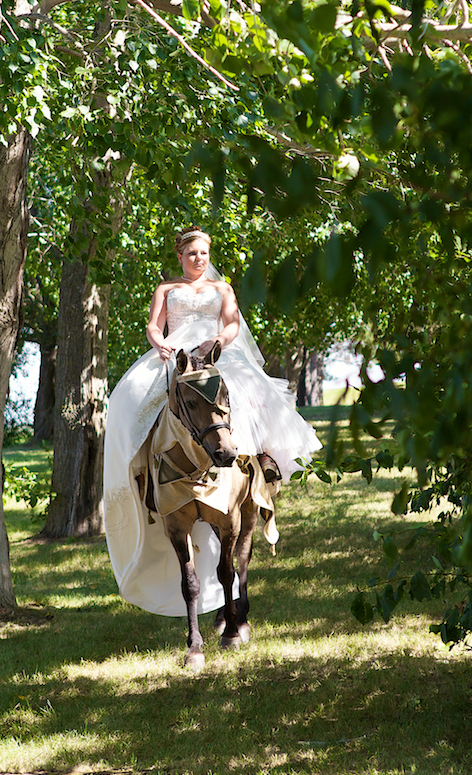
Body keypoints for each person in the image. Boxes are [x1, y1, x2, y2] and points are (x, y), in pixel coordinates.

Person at [103, 225, 321, 617]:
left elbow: (233, 323)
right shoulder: (165, 290)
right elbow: (154, 325)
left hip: (216, 353)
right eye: (191, 255)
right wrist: (160, 342)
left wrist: (219, 342)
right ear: (180, 257)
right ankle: (141, 472)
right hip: (176, 355)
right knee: (130, 403)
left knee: (245, 395)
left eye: (204, 253)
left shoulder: (223, 290)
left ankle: (263, 461)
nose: (199, 260)